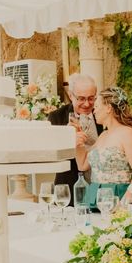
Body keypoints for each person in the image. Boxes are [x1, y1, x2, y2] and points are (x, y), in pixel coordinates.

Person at [74, 87, 132, 202]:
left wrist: (125, 202)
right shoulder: (103, 135)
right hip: (94, 198)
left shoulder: (127, 133)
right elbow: (82, 165)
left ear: (108, 108)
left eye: (97, 107)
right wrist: (78, 144)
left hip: (118, 197)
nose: (94, 111)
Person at [48, 73, 102, 204]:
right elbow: (50, 154)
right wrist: (67, 140)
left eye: (91, 98)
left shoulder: (102, 114)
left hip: (100, 188)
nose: (87, 103)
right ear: (71, 95)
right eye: (81, 98)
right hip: (69, 186)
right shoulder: (57, 117)